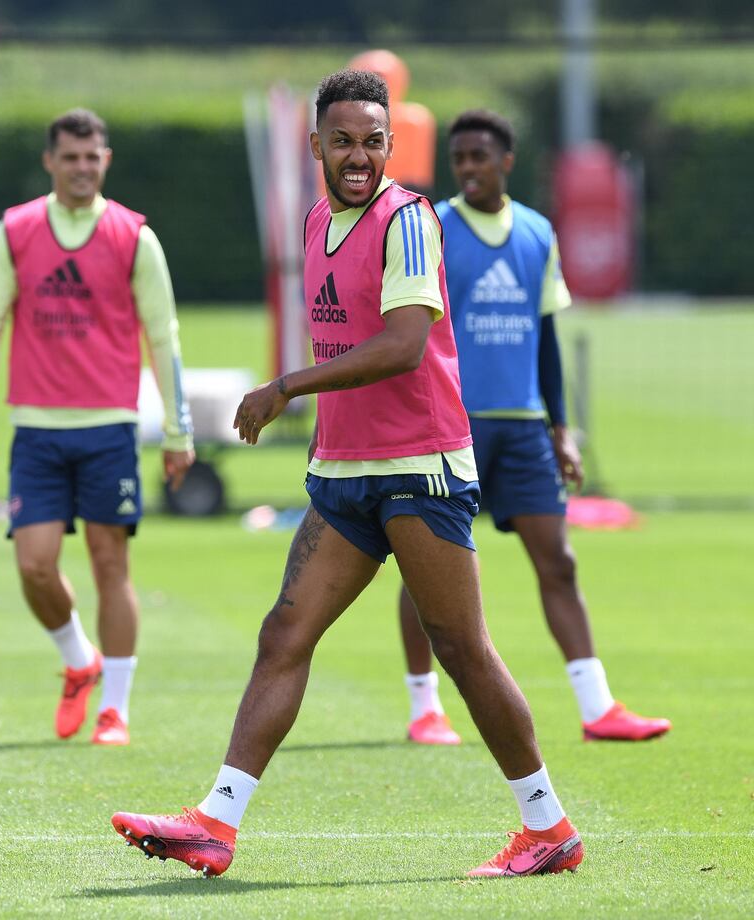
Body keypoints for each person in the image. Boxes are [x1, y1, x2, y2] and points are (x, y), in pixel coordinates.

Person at [111, 71, 584, 880]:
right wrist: (318, 427)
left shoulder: (408, 221)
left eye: (373, 140)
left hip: (417, 468)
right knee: (284, 634)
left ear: (390, 146)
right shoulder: (316, 221)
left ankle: (547, 829)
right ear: (316, 146)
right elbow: (345, 340)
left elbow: (403, 344)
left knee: (460, 647)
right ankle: (215, 822)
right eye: (343, 140)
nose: (358, 155)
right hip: (346, 471)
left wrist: (288, 387)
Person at [399, 109, 671, 746]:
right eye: (458, 158)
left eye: (479, 157)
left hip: (523, 428)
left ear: (506, 162)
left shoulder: (538, 233)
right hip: (451, 424)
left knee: (559, 563)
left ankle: (597, 705)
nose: (467, 168)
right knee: (427, 571)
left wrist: (561, 427)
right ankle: (424, 708)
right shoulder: (431, 228)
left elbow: (546, 336)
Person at [0, 108, 194, 746]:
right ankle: (77, 659)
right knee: (35, 565)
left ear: (106, 160)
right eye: (70, 157)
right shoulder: (16, 230)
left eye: (92, 157)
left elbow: (163, 334)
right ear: (50, 162)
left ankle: (114, 709)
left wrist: (177, 431)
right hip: (36, 428)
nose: (82, 168)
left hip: (109, 427)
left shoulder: (133, 236)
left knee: (108, 564)